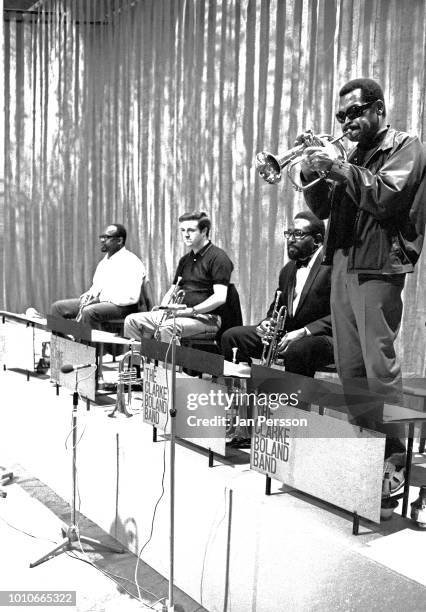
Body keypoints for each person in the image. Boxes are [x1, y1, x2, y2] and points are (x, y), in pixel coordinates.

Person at [299, 77, 426, 460]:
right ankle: (364, 445)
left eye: (354, 112)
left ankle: (393, 454)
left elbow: (386, 197)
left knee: (378, 364)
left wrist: (336, 166)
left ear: (378, 109)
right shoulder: (350, 156)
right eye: (341, 116)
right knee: (349, 364)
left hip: (377, 264)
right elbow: (321, 210)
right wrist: (310, 171)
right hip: (341, 261)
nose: (346, 122)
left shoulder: (405, 145)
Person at [221, 211, 334, 377]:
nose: (290, 239)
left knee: (298, 350)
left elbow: (342, 314)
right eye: (289, 233)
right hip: (288, 336)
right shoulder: (287, 270)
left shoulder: (333, 267)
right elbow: (277, 306)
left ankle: (293, 402)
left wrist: (304, 331)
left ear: (317, 240)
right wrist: (267, 323)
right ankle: (241, 394)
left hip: (323, 338)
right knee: (232, 337)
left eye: (298, 234)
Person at [124, 211, 233, 342]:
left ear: (204, 231)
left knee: (168, 327)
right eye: (183, 230)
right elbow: (173, 290)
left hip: (207, 318)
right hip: (180, 315)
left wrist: (192, 311)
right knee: (132, 320)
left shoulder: (219, 258)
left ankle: (167, 363)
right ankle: (137, 361)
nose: (186, 235)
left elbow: (220, 298)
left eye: (191, 230)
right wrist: (164, 309)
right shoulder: (185, 260)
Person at [51, 224, 146, 330]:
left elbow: (131, 297)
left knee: (89, 312)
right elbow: (96, 288)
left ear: (119, 241)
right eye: (102, 237)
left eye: (107, 237)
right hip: (101, 303)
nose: (102, 240)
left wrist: (100, 299)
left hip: (123, 307)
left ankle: (85, 345)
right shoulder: (104, 262)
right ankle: (64, 344)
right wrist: (88, 296)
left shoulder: (131, 262)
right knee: (58, 308)